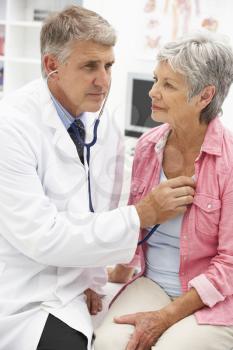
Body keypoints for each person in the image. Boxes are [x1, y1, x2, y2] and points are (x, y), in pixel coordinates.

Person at [0, 5, 195, 350]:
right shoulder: (11, 127)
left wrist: (92, 279)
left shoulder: (103, 127)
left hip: (73, 288)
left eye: (108, 65)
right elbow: (41, 237)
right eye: (89, 66)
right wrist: (142, 214)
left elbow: (97, 211)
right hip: (20, 293)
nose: (103, 80)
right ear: (52, 66)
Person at [94, 31, 233, 350]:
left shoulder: (228, 162)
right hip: (152, 281)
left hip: (212, 297)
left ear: (204, 96)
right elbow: (137, 223)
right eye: (156, 80)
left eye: (168, 85)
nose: (153, 92)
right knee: (108, 343)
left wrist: (166, 316)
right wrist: (109, 274)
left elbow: (230, 262)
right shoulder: (147, 146)